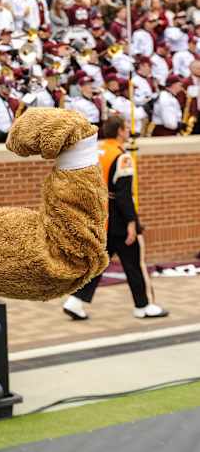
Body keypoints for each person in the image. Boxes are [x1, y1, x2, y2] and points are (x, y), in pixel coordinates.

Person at [63, 115, 168, 320]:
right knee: (134, 263)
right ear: (120, 131)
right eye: (126, 127)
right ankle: (143, 306)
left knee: (99, 263)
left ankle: (75, 302)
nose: (128, 130)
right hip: (118, 218)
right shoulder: (122, 157)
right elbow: (123, 195)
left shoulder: (95, 151)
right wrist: (132, 223)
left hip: (99, 215)